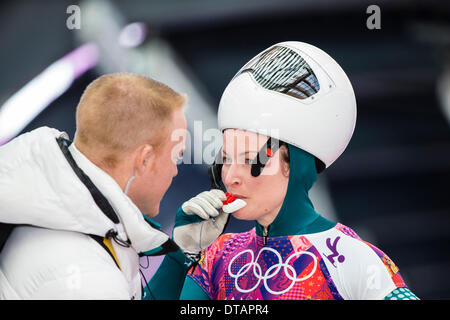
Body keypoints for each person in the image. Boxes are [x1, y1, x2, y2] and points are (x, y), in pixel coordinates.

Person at [178, 41, 420, 300]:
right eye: (225, 159)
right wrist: (180, 255)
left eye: (250, 161)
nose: (230, 177)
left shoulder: (352, 258)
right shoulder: (218, 256)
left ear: (293, 166)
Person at [0, 73, 224, 299]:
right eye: (176, 156)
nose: (175, 171)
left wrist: (181, 255)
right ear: (144, 160)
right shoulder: (88, 276)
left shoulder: (62, 210)